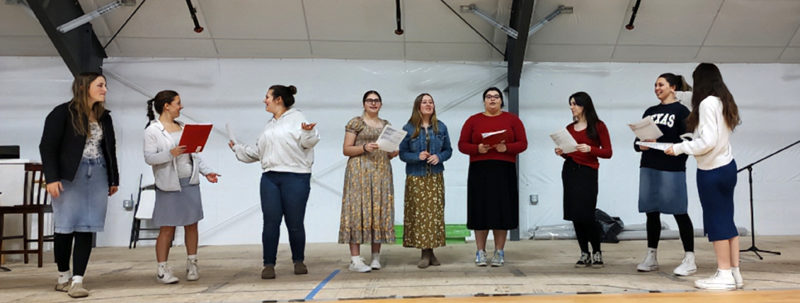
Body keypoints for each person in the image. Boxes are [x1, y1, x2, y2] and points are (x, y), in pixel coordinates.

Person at [39, 72, 119, 298]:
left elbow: (110, 149)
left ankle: (77, 280)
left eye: (105, 85)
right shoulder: (61, 113)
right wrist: (51, 178)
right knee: (65, 227)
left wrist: (114, 178)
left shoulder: (104, 117)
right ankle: (63, 275)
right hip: (69, 175)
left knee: (87, 226)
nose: (105, 90)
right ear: (83, 87)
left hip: (99, 172)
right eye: (100, 85)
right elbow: (47, 147)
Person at [229, 85, 319, 279]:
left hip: (295, 176)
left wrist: (308, 132)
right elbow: (259, 152)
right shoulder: (269, 125)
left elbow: (308, 142)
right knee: (270, 222)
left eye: (267, 97)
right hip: (270, 177)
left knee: (295, 222)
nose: (264, 100)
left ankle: (298, 260)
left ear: (279, 100)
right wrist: (237, 149)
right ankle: (268, 264)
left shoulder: (298, 118)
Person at [666, 63, 742, 290]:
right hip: (727, 167)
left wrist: (679, 148)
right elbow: (713, 137)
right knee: (727, 221)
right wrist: (675, 91)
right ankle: (735, 273)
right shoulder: (723, 100)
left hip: (712, 172)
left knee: (717, 223)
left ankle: (724, 274)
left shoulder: (707, 103)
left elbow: (708, 142)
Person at [144, 90, 220, 284]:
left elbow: (194, 155)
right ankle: (162, 269)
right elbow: (149, 158)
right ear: (166, 106)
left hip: (189, 182)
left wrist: (207, 172)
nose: (181, 106)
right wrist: (171, 153)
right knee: (167, 228)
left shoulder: (183, 127)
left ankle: (192, 263)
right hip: (169, 185)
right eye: (178, 103)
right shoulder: (153, 130)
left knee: (192, 224)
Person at [634, 74, 697, 276]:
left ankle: (689, 257)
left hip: (672, 167)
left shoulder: (682, 111)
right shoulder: (650, 111)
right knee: (651, 212)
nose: (656, 88)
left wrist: (661, 142)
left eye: (661, 84)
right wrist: (642, 144)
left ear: (673, 87)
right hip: (648, 165)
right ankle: (651, 255)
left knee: (679, 211)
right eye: (655, 85)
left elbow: (687, 143)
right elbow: (636, 142)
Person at [458, 87, 527, 267]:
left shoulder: (512, 120)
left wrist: (507, 148)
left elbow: (523, 143)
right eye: (489, 97)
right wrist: (477, 149)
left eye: (496, 97)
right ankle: (480, 251)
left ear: (501, 101)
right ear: (484, 101)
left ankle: (499, 252)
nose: (492, 99)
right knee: (480, 210)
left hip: (504, 170)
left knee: (502, 211)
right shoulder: (473, 120)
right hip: (480, 170)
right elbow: (462, 145)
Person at [339, 90, 399, 272]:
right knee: (356, 211)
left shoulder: (386, 125)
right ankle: (355, 259)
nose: (373, 103)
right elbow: (346, 149)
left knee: (379, 210)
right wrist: (364, 147)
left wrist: (393, 152)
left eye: (376, 100)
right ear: (364, 104)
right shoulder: (356, 122)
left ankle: (375, 257)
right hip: (359, 172)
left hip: (381, 171)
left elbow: (388, 152)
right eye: (369, 100)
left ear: (381, 104)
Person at [555, 92, 612, 268]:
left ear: (584, 105)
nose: (571, 107)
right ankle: (584, 252)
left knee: (587, 214)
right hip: (570, 170)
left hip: (588, 172)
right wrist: (562, 152)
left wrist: (590, 149)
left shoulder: (598, 126)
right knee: (575, 214)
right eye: (570, 103)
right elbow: (571, 153)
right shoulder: (569, 128)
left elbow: (608, 152)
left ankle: (597, 251)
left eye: (575, 104)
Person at [398, 93, 453, 268]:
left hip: (435, 176)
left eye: (431, 102)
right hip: (416, 177)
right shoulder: (408, 128)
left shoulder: (441, 127)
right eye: (424, 102)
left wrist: (439, 157)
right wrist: (417, 156)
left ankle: (431, 251)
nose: (428, 104)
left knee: (434, 214)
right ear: (418, 106)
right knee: (420, 215)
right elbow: (402, 154)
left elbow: (449, 150)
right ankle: (425, 253)